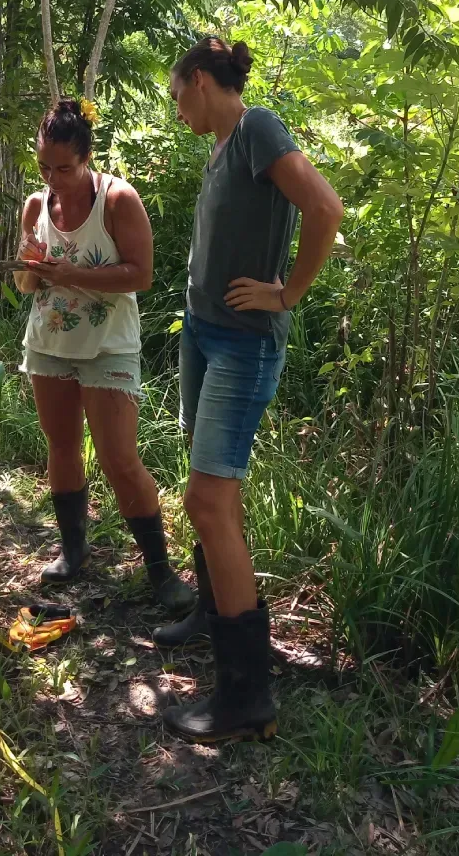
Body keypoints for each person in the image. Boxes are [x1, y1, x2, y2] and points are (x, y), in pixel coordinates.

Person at [156, 36, 343, 742]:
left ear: (200, 82)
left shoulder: (257, 126)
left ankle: (246, 695)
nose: (177, 112)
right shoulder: (223, 143)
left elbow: (326, 208)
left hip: (240, 341)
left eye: (178, 97)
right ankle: (213, 613)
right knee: (211, 497)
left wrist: (286, 292)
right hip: (204, 334)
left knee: (207, 500)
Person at [13, 97, 194, 614]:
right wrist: (30, 267)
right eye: (44, 167)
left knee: (119, 458)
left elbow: (140, 275)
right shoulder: (35, 205)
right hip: (48, 341)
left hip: (108, 343)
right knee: (62, 446)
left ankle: (161, 572)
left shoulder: (117, 200)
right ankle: (74, 551)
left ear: (87, 157)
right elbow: (27, 284)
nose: (53, 178)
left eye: (64, 168)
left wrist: (71, 274)